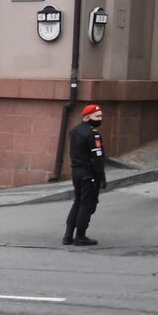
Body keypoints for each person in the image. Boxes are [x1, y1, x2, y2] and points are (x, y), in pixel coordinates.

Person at [64, 104, 106, 246]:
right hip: (88, 173)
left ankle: (68, 235)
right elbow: (97, 159)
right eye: (97, 116)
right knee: (86, 205)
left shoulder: (75, 131)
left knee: (77, 202)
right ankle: (80, 236)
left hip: (76, 171)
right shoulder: (93, 135)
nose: (100, 118)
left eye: (100, 116)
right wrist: (101, 177)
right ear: (87, 117)